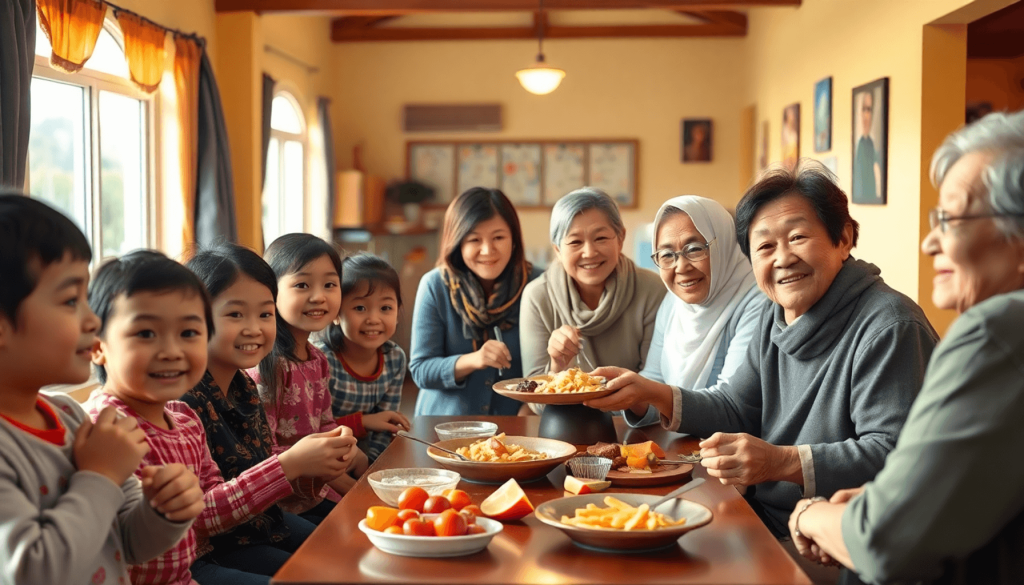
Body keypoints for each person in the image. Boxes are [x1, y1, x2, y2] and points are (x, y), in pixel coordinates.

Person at [588, 164, 939, 542]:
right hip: (763, 514)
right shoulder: (777, 314)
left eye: (798, 236)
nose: (783, 258)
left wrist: (781, 462)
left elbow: (894, 453)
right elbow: (738, 406)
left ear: (844, 238)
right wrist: (650, 391)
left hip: (837, 536)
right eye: (765, 246)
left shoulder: (888, 325)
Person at [788, 111, 1024, 585]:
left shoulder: (994, 332)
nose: (929, 240)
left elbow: (883, 543)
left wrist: (808, 514)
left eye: (952, 219)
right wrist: (889, 499)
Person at [0, 193, 199, 585]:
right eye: (71, 300)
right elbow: (30, 571)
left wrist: (163, 513)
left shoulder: (69, 415)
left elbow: (125, 542)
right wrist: (101, 475)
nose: (93, 321)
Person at [84, 250, 295, 585]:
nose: (172, 351)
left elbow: (208, 501)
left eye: (188, 333)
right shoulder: (104, 428)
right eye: (146, 334)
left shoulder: (183, 419)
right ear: (97, 345)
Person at [185, 243, 361, 583]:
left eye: (265, 314)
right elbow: (203, 516)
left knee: (351, 551)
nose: (255, 328)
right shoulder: (185, 401)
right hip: (216, 547)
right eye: (235, 314)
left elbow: (265, 474)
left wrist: (322, 465)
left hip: (260, 524)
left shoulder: (242, 387)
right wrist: (293, 463)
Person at [599, 196, 767, 428]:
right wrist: (633, 395)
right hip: (681, 450)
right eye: (667, 255)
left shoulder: (757, 302)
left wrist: (652, 393)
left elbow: (732, 406)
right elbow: (655, 382)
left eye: (695, 249)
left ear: (724, 243)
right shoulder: (673, 303)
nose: (681, 267)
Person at [246, 234, 366, 520]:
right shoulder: (268, 365)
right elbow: (263, 450)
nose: (319, 296)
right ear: (271, 293)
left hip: (318, 487)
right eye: (302, 285)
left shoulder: (318, 358)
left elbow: (325, 423)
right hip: (284, 500)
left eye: (330, 284)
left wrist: (343, 443)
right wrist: (349, 486)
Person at [409, 187, 542, 416]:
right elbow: (421, 371)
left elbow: (553, 368)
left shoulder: (538, 284)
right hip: (443, 430)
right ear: (458, 243)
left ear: (514, 239)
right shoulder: (435, 285)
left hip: (518, 431)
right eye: (474, 239)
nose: (487, 250)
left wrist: (533, 407)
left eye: (498, 237)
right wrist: (475, 359)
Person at [520, 187, 665, 381]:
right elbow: (535, 401)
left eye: (601, 238)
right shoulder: (538, 296)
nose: (589, 252)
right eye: (575, 242)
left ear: (620, 238)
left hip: (630, 411)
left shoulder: (651, 289)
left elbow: (656, 383)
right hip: (564, 412)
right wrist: (559, 366)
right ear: (557, 250)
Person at [315, 253, 411, 463]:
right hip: (323, 456)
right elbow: (314, 430)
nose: (374, 319)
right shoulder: (321, 360)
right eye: (360, 308)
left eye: (386, 308)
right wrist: (364, 422)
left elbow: (386, 425)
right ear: (337, 314)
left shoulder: (394, 358)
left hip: (364, 455)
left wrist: (371, 466)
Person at [852, 90, 883, 204]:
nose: (866, 116)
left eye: (869, 110)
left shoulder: (871, 145)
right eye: (864, 109)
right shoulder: (859, 144)